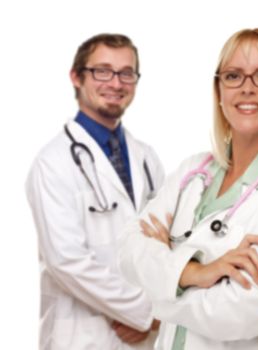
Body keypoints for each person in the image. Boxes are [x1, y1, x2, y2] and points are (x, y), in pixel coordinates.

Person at [118, 28, 258, 349]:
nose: (247, 89)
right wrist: (195, 273)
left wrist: (160, 285)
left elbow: (244, 310)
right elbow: (127, 250)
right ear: (219, 90)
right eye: (233, 76)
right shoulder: (192, 172)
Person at [25, 34, 164, 349]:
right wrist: (146, 312)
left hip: (145, 340)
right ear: (76, 76)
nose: (116, 83)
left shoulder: (146, 158)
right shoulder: (53, 163)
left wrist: (160, 314)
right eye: (102, 71)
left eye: (126, 73)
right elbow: (67, 260)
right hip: (81, 337)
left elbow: (167, 244)